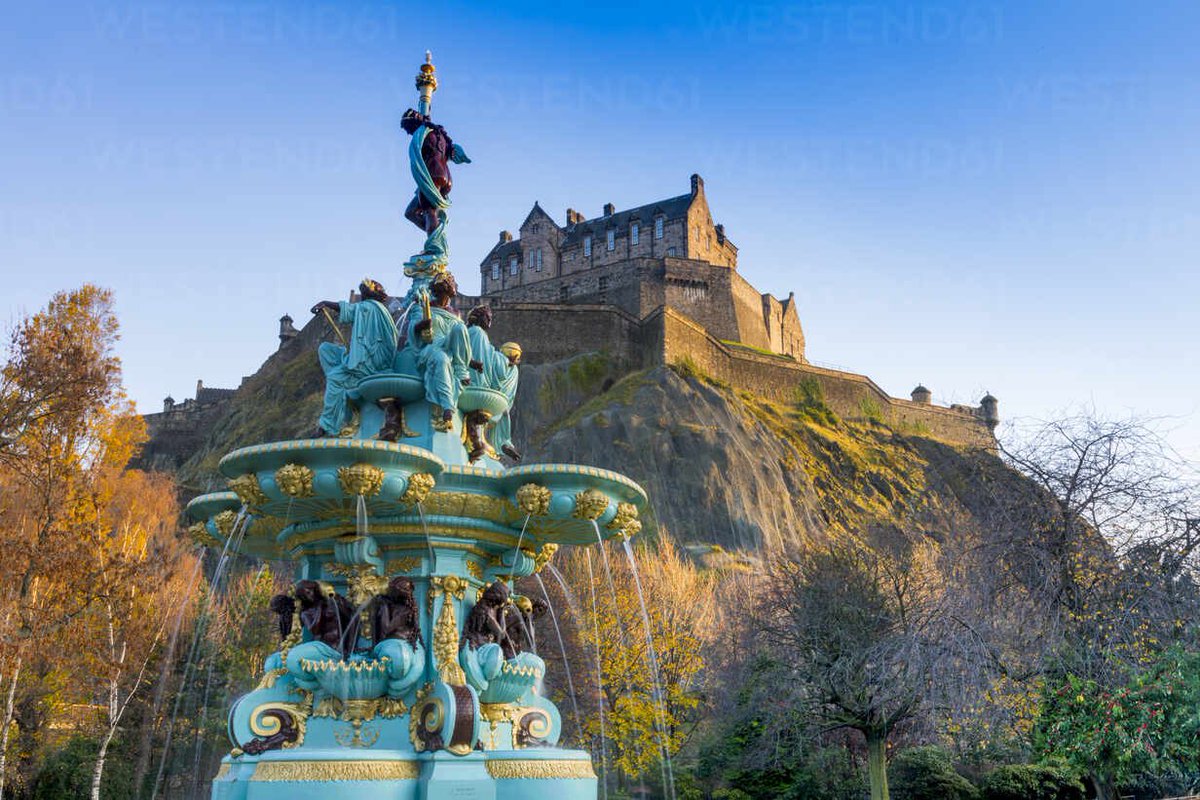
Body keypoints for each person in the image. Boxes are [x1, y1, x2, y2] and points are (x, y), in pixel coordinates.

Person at [311, 279, 398, 437]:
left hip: (370, 364)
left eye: (364, 291)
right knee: (326, 349)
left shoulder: (370, 307)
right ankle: (343, 393)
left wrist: (326, 303)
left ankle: (327, 426)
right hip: (364, 357)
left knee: (335, 378)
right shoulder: (376, 309)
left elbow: (349, 310)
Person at [410, 273, 471, 431]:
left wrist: (472, 362)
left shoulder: (455, 313)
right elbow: (412, 329)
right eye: (442, 291)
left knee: (460, 327)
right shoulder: (425, 307)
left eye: (449, 289)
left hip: (449, 347)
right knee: (441, 359)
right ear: (438, 291)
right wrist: (422, 325)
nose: (446, 295)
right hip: (432, 347)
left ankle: (461, 369)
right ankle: (447, 408)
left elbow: (460, 342)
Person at [464, 305, 522, 462]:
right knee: (501, 406)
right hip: (475, 380)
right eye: (487, 318)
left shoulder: (478, 335)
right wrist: (505, 361)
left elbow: (487, 354)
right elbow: (481, 355)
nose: (489, 321)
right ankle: (501, 441)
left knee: (503, 406)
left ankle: (502, 442)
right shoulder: (477, 332)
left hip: (480, 381)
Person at [370, 577, 425, 697]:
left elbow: (386, 629)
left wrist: (383, 608)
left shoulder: (403, 610)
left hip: (396, 648)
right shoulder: (403, 608)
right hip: (402, 646)